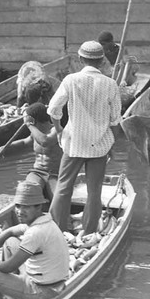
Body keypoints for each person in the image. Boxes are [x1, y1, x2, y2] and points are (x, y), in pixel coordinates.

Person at [47, 40, 121, 234]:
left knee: (63, 187)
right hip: (99, 145)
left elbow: (54, 109)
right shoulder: (110, 84)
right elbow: (115, 121)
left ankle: (57, 230)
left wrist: (59, 129)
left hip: (74, 143)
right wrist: (112, 145)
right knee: (94, 192)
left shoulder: (71, 80)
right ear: (102, 61)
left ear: (80, 59)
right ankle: (89, 232)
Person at [0, 180, 69, 299]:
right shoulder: (45, 221)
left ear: (38, 207)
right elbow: (11, 231)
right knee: (11, 242)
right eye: (18, 206)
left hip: (41, 290)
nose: (20, 211)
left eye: (26, 207)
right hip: (49, 281)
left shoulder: (35, 232)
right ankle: (10, 296)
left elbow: (9, 267)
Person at [0, 102, 62, 202]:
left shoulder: (55, 130)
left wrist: (29, 125)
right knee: (28, 191)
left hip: (54, 174)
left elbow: (45, 141)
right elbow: (24, 143)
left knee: (58, 201)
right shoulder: (35, 133)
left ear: (33, 120)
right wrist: (5, 148)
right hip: (37, 172)